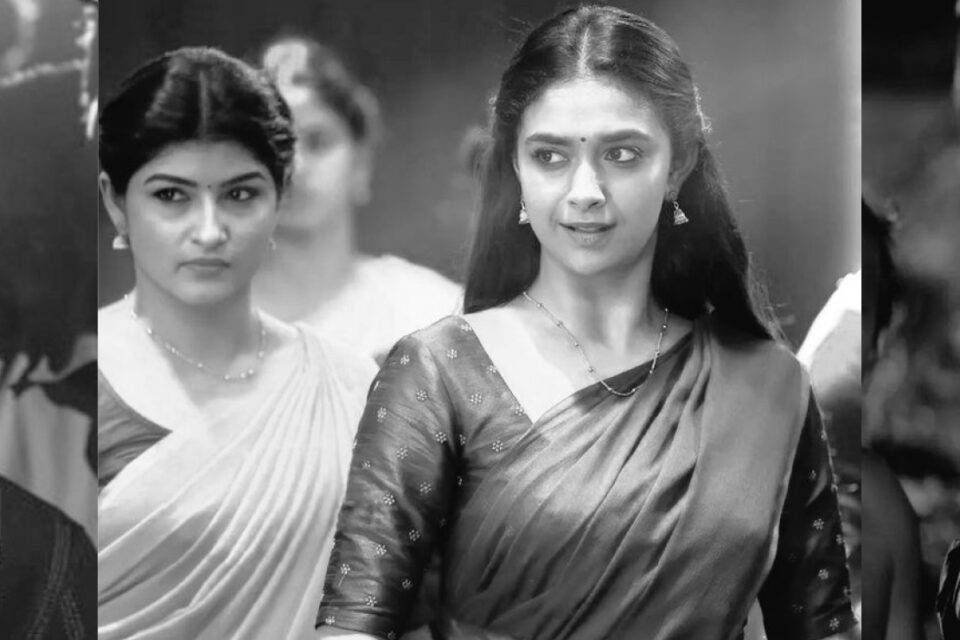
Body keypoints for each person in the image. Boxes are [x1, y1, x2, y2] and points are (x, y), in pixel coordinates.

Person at [315, 7, 855, 639]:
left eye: (622, 154)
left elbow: (822, 627)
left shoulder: (765, 388)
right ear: (515, 167)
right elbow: (354, 625)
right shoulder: (438, 372)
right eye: (550, 156)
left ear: (679, 165)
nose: (585, 190)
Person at [97, 47, 376, 639]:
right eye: (171, 196)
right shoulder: (54, 398)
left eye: (240, 194)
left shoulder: (350, 390)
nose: (208, 230)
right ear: (115, 202)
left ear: (280, 195)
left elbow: (396, 603)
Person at [253, 36, 462, 362]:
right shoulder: (199, 319)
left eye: (318, 142)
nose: (296, 166)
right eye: (274, 145)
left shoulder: (430, 314)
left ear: (360, 162)